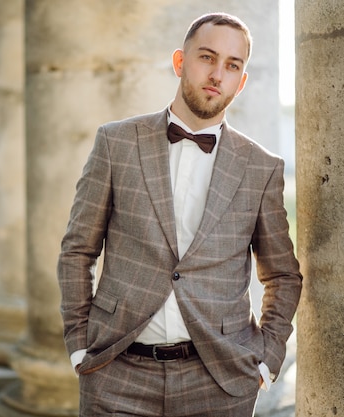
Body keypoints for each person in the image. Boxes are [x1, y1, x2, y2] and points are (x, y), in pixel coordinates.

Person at [57, 12, 302, 417]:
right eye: (207, 57)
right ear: (180, 62)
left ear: (241, 82)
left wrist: (266, 358)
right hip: (116, 373)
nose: (217, 74)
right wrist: (80, 344)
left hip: (220, 381)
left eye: (232, 65)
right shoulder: (116, 143)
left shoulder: (262, 167)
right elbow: (77, 250)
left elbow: (282, 274)